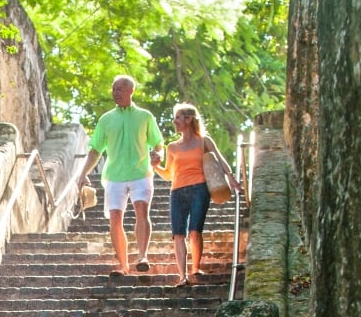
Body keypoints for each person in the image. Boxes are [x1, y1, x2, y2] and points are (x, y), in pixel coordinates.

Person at [78, 74, 164, 276]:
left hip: (141, 173)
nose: (115, 93)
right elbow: (95, 150)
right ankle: (124, 266)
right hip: (114, 176)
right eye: (114, 89)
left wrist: (158, 154)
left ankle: (142, 256)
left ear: (131, 91)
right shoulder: (106, 119)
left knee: (141, 210)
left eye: (120, 89)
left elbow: (158, 143)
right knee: (115, 218)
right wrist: (83, 173)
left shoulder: (145, 117)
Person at [151, 103, 243, 286]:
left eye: (178, 117)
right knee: (178, 234)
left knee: (195, 231)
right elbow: (169, 174)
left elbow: (220, 160)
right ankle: (182, 276)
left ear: (189, 119)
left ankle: (195, 267)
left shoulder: (204, 141)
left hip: (199, 188)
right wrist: (155, 166)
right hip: (177, 191)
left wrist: (231, 179)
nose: (174, 121)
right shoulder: (172, 147)